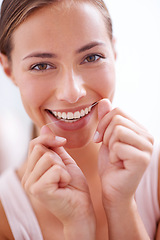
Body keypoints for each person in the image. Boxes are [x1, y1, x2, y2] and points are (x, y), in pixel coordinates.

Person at [0, 0, 158, 239]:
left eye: (91, 57)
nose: (72, 93)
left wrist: (122, 206)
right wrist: (78, 226)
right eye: (41, 65)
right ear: (8, 70)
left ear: (113, 53)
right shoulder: (4, 215)